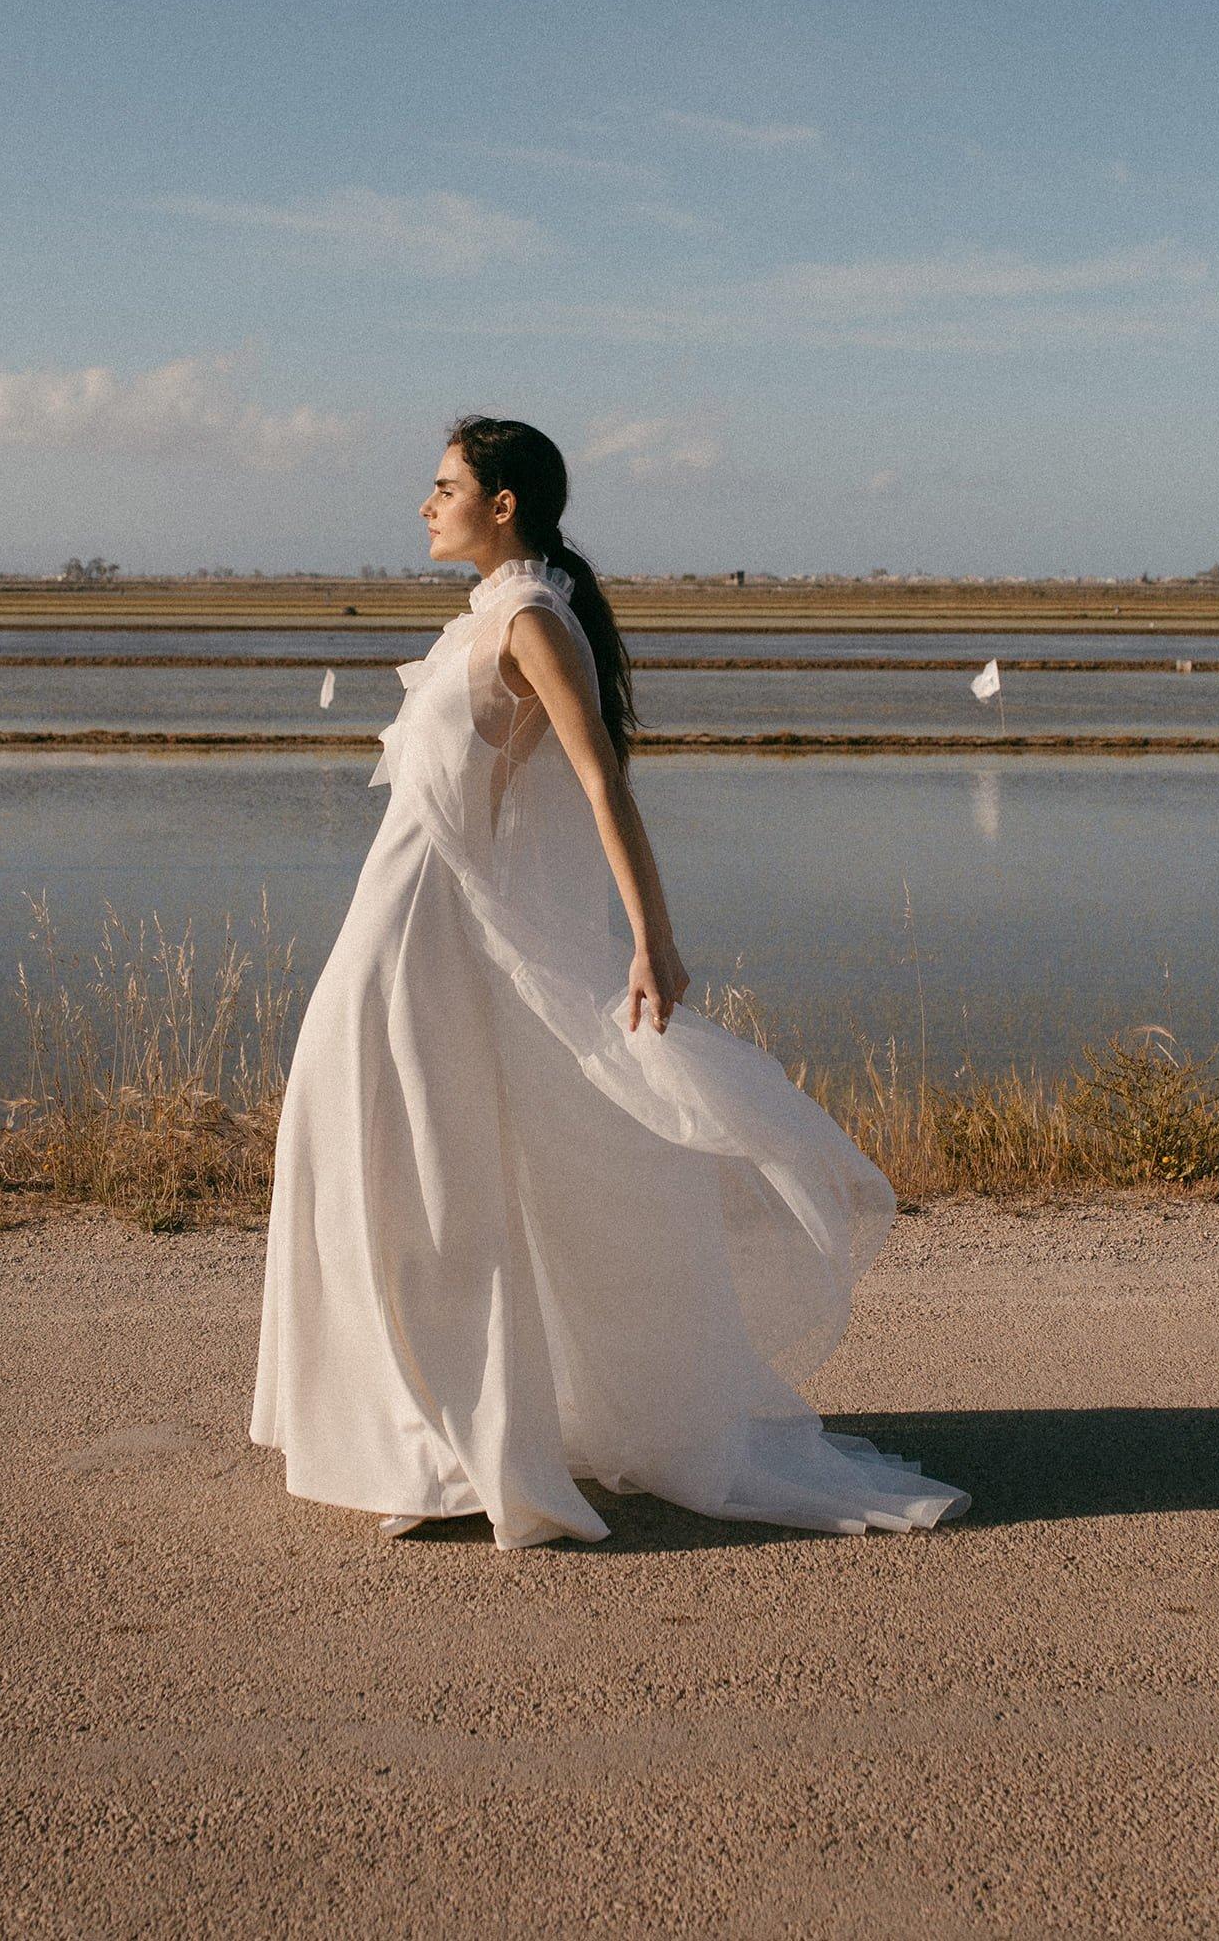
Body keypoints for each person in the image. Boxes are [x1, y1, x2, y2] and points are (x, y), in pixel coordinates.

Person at [250, 414, 969, 1547]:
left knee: (423, 1176)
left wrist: (654, 941)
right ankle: (420, 1432)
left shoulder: (534, 621)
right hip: (396, 926)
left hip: (434, 932)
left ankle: (453, 1452)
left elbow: (604, 786)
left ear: (505, 504)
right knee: (364, 1155)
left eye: (444, 488)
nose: (424, 506)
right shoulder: (488, 617)